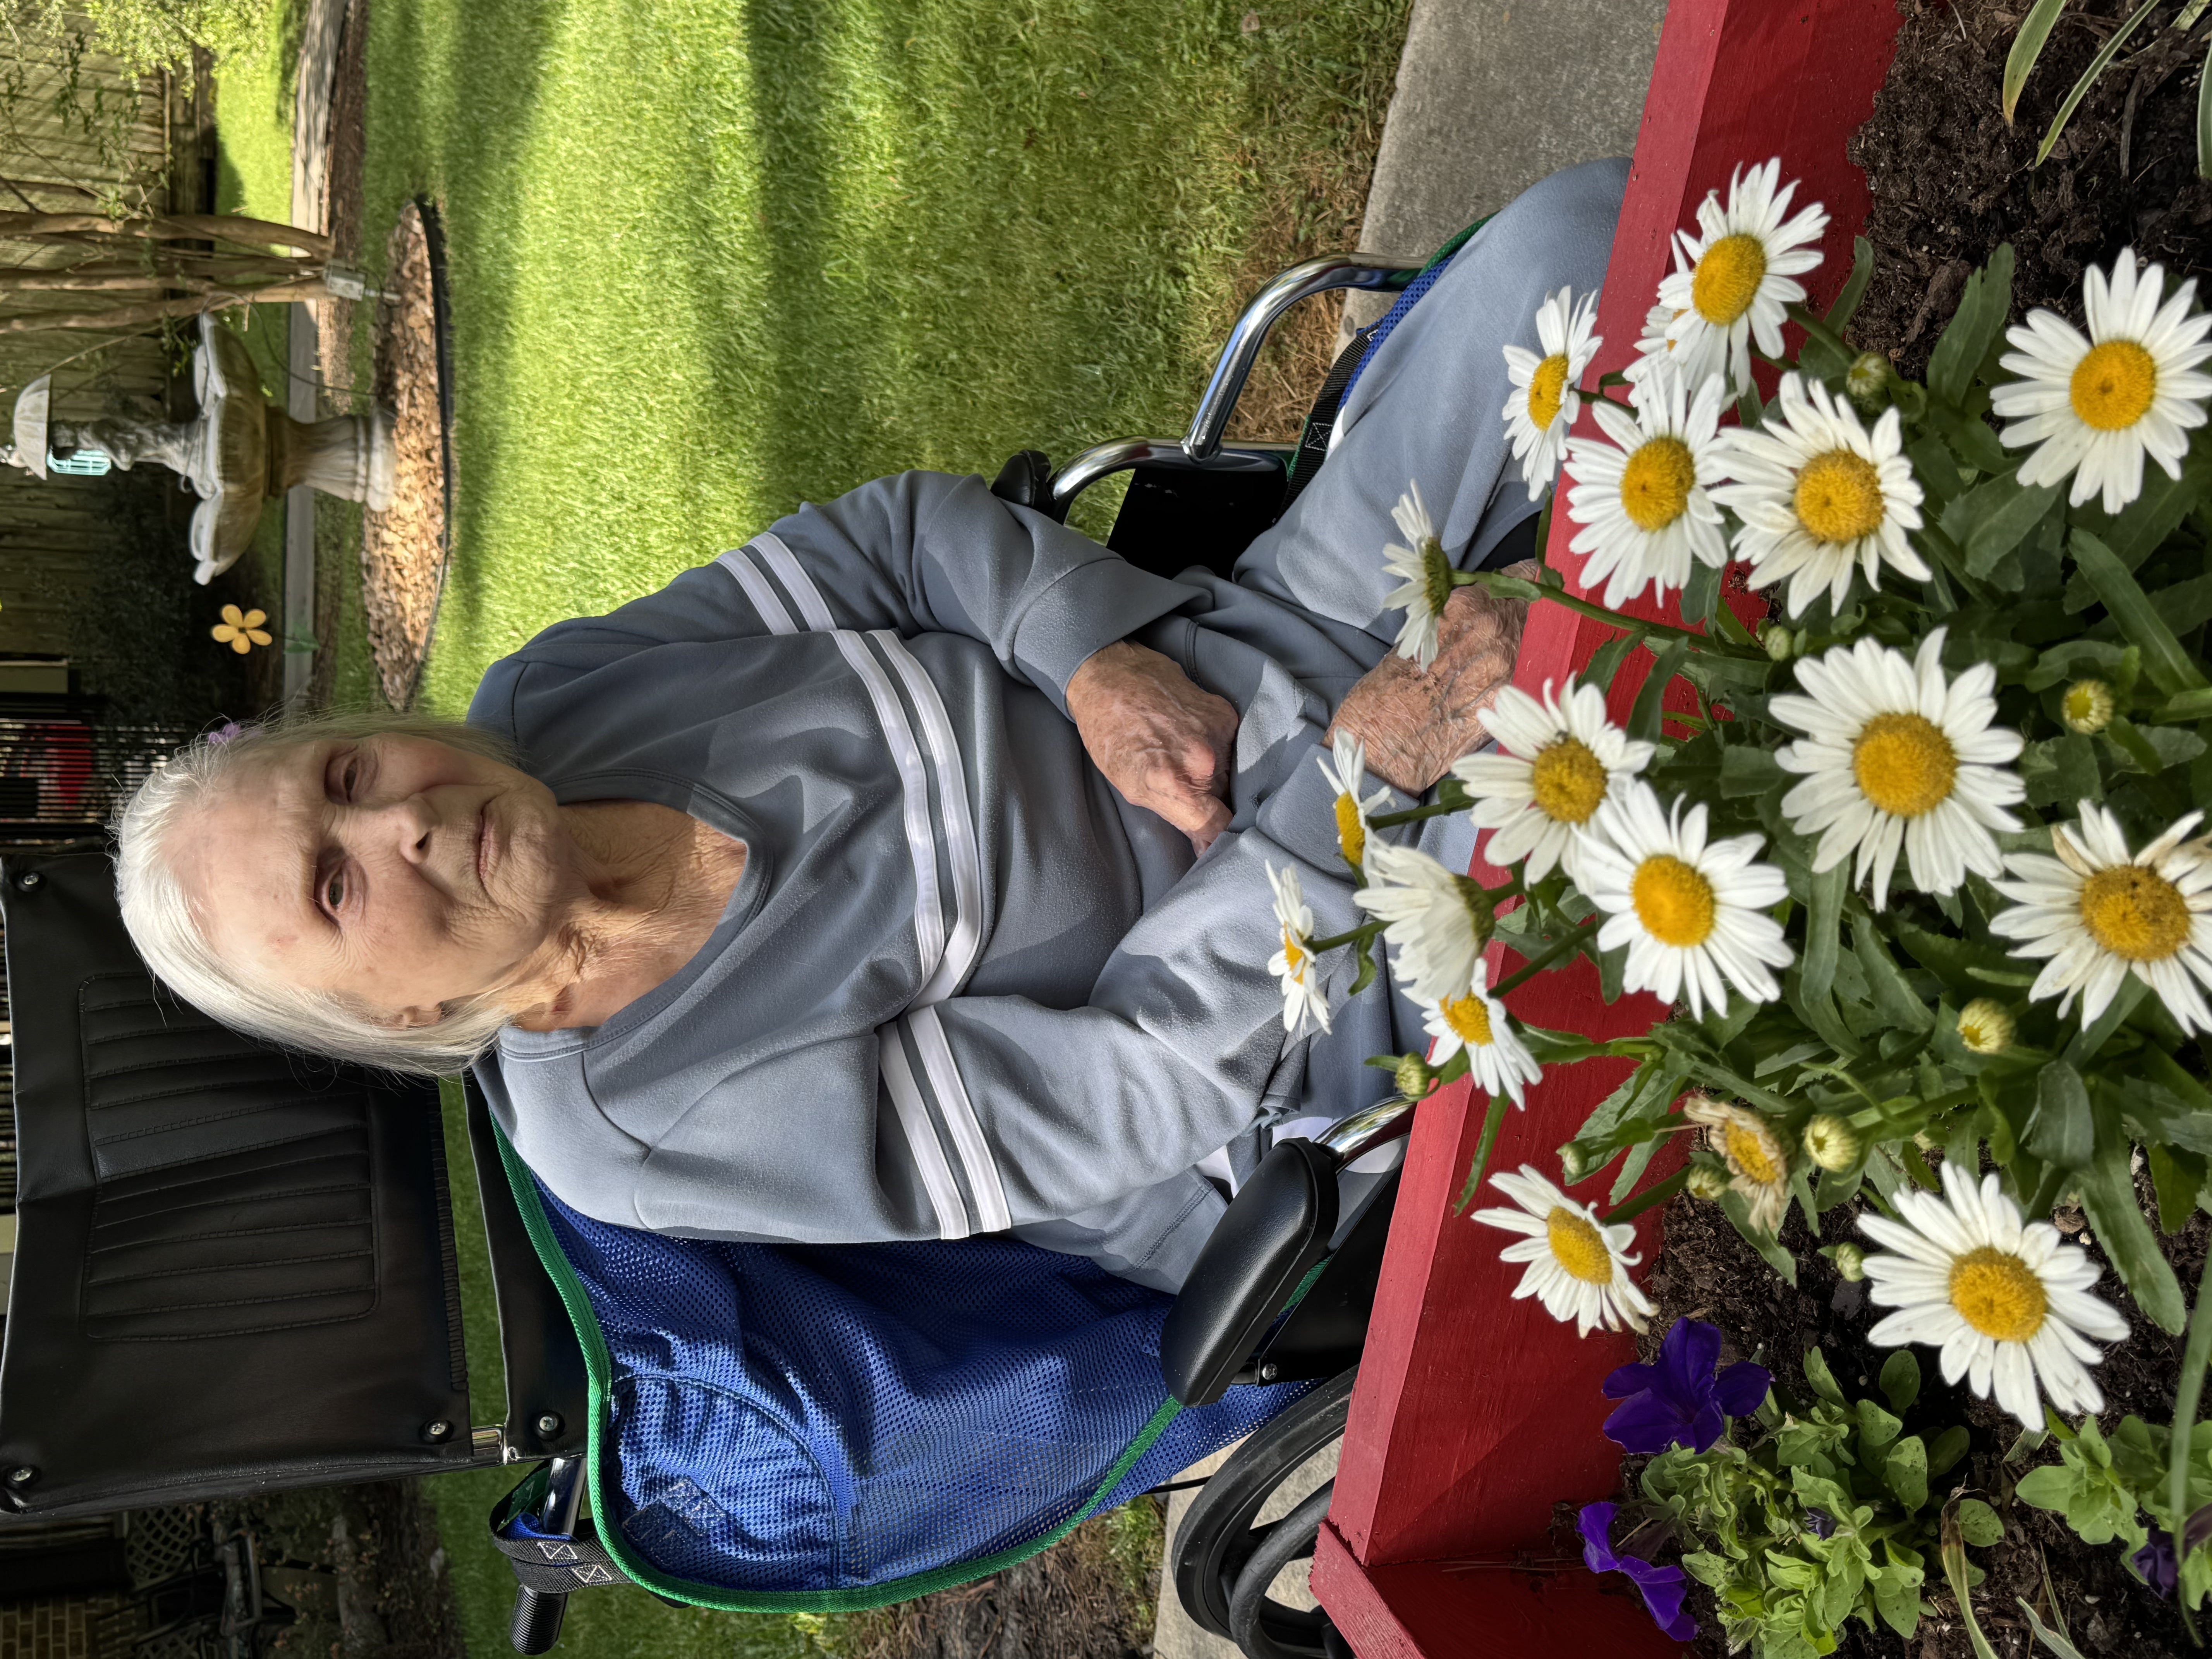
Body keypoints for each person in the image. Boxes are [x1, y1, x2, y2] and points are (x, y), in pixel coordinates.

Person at [112, 159, 1628, 1291]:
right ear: (401, 1024)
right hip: (1299, 1003)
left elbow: (892, 545)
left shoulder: (554, 697)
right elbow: (1139, 1087)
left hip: (1247, 651)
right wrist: (1361, 779)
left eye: (348, 773)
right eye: (336, 881)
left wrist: (1099, 664)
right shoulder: (632, 1123)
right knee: (1635, 734)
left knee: (1583, 254)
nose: (403, 823)